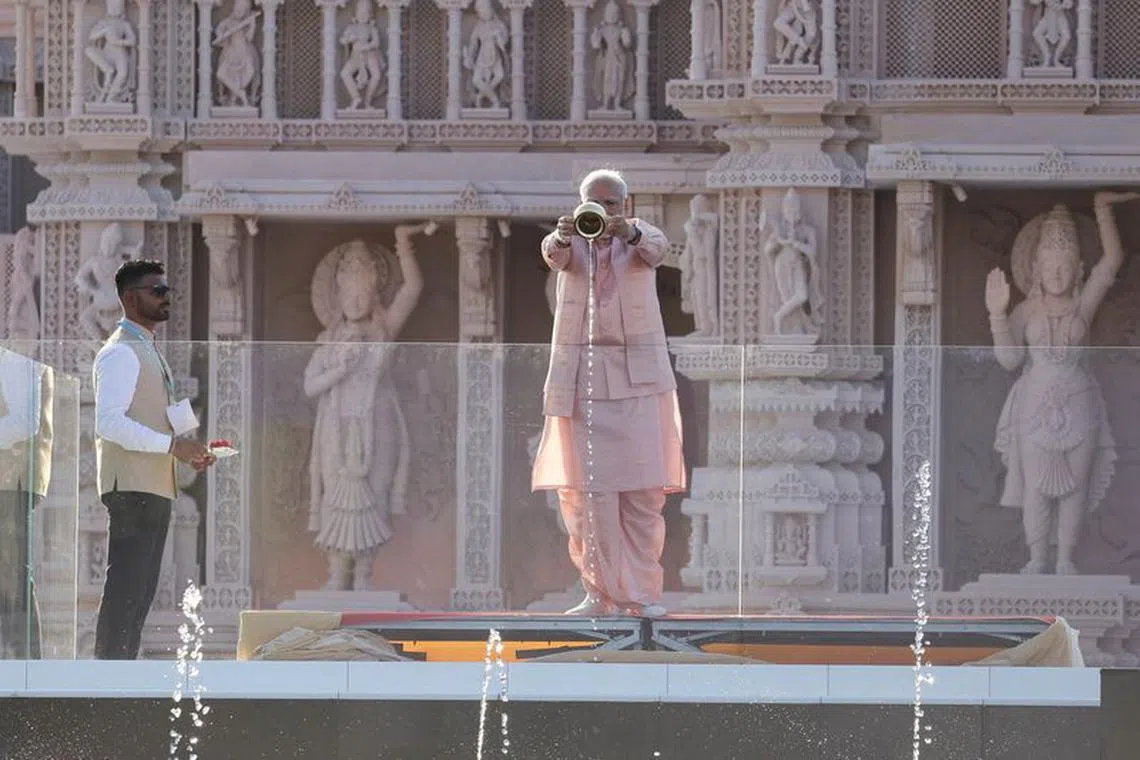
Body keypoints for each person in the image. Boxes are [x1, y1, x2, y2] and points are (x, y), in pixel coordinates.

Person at [531, 168, 686, 617]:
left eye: (612, 204)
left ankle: (640, 595)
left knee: (640, 495)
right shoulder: (571, 242)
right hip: (583, 383)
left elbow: (657, 250)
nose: (603, 213)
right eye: (594, 205)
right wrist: (565, 235)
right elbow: (551, 255)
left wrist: (626, 230)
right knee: (586, 497)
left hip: (638, 384)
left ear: (626, 204)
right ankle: (597, 594)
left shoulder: (642, 236)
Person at [92, 259, 215, 659]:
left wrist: (191, 443)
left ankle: (121, 671)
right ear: (130, 297)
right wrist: (172, 446)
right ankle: (108, 676)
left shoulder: (146, 347)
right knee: (127, 585)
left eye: (167, 290)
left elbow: (160, 408)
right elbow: (110, 423)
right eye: (156, 290)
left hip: (153, 485)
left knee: (141, 589)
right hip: (130, 485)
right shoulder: (121, 353)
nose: (166, 297)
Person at [0, 344, 52, 658]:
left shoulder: (14, 356)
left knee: (14, 576)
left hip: (10, 481)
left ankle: (25, 665)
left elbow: (23, 422)